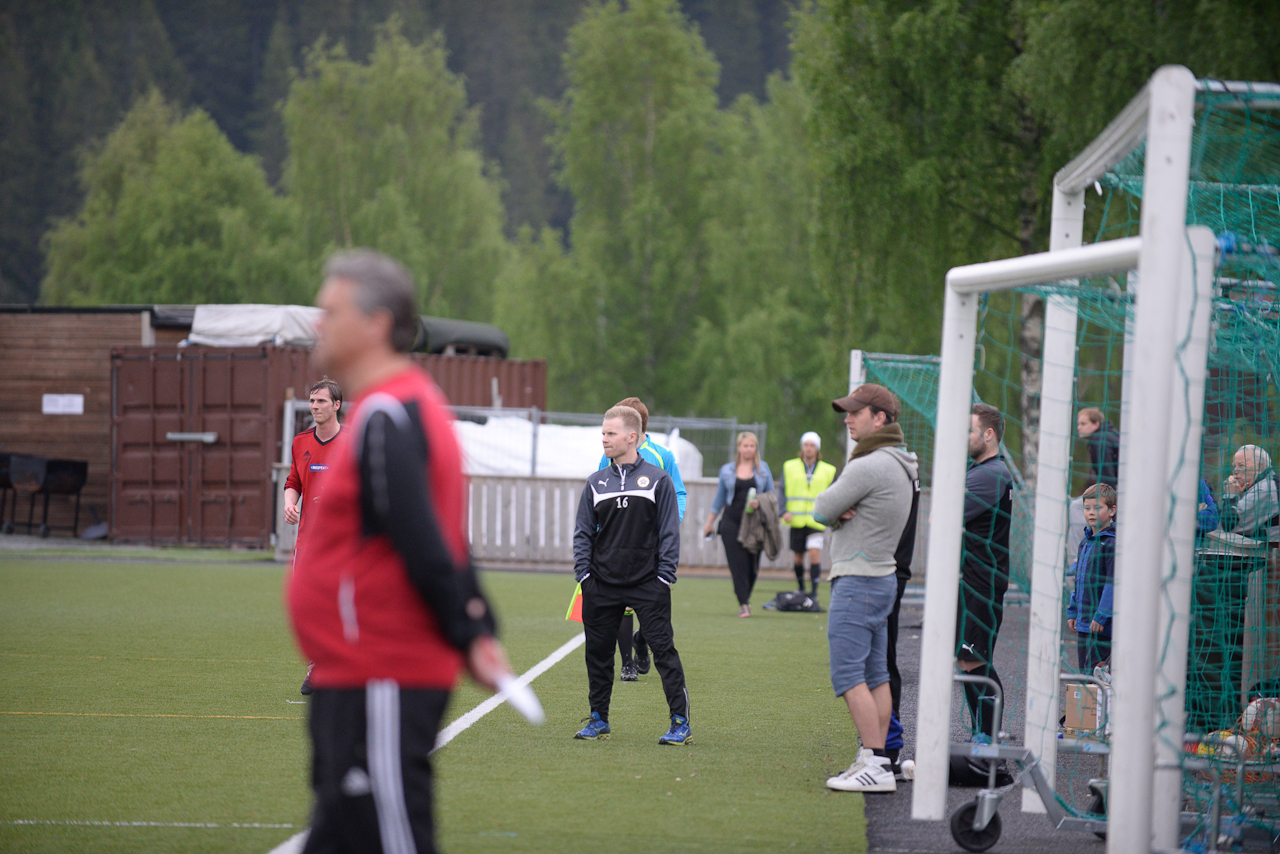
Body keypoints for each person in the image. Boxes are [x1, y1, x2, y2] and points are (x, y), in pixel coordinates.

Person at [287, 249, 513, 854]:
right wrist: (479, 623)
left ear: (377, 323)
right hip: (354, 674)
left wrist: (471, 633)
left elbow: (427, 542)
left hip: (380, 675)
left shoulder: (390, 412)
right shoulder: (394, 407)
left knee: (395, 837)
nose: (318, 324)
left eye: (331, 310)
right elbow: (441, 537)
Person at [813, 384, 917, 793]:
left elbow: (821, 508)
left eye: (856, 412)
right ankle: (878, 761)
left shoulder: (869, 464)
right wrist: (842, 513)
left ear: (881, 419)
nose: (848, 418)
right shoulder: (902, 462)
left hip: (858, 581)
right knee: (876, 675)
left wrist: (838, 515)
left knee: (848, 673)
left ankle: (873, 762)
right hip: (882, 580)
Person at [572, 405, 689, 745]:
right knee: (597, 654)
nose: (604, 439)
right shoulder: (596, 482)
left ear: (632, 437)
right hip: (601, 585)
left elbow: (669, 531)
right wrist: (584, 575)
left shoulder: (658, 479)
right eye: (603, 433)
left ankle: (679, 722)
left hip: (648, 584)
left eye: (611, 433)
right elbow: (583, 532)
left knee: (664, 651)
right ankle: (598, 719)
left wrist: (664, 576)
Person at [596, 396, 686, 682]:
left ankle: (642, 642)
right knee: (622, 602)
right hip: (620, 542)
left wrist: (672, 520)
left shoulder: (662, 455)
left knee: (653, 600)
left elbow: (679, 493)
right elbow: (600, 487)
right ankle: (627, 663)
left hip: (653, 543)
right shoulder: (608, 455)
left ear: (636, 428)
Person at [284, 377, 348, 696]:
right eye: (311, 401)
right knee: (308, 608)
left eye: (321, 401)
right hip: (307, 542)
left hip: (344, 543)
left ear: (336, 405)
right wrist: (290, 504)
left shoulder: (353, 443)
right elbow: (293, 479)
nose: (314, 406)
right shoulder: (300, 442)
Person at [957, 403, 1016, 743]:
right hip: (972, 581)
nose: (964, 438)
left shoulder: (991, 474)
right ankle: (984, 733)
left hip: (982, 583)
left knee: (973, 661)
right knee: (967, 661)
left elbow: (946, 517)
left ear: (988, 434)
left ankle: (988, 737)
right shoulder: (982, 470)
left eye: (969, 430)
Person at [703, 431, 774, 617]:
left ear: (756, 448)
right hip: (731, 521)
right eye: (745, 446)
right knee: (737, 564)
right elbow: (719, 498)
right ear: (739, 448)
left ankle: (745, 597)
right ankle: (744, 603)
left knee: (752, 566)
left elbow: (772, 496)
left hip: (754, 523)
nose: (748, 449)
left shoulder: (763, 469)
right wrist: (710, 522)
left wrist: (760, 501)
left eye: (752, 446)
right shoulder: (727, 470)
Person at [778, 432, 837, 598]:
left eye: (812, 445)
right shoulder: (789, 467)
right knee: (798, 557)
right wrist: (783, 511)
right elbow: (782, 490)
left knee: (814, 552)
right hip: (796, 519)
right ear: (802, 447)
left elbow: (833, 493)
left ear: (817, 449)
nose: (808, 449)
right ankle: (801, 587)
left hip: (816, 519)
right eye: (806, 445)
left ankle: (814, 592)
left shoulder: (828, 470)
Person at [1066, 483, 1117, 672]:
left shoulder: (1112, 543)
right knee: (1084, 672)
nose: (1091, 513)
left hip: (1100, 626)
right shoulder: (1085, 543)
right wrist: (1073, 611)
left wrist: (1102, 615)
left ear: (1112, 510)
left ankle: (1097, 703)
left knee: (1098, 676)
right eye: (1087, 508)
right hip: (1083, 623)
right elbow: (1080, 580)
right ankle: (1085, 702)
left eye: (1097, 508)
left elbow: (1112, 584)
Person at [1067, 408, 1121, 563]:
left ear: (1096, 424)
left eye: (1083, 423)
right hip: (1125, 492)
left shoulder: (1099, 440)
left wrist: (1108, 505)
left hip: (1118, 493)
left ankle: (1077, 562)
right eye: (1078, 424)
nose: (1079, 427)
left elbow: (1108, 478)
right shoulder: (1110, 435)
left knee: (1076, 507)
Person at [1219, 444, 1279, 543]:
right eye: (1235, 466)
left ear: (1260, 467)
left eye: (1241, 465)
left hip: (1271, 556)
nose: (1235, 471)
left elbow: (1229, 527)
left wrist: (1231, 495)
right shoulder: (1260, 484)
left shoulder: (1265, 489)